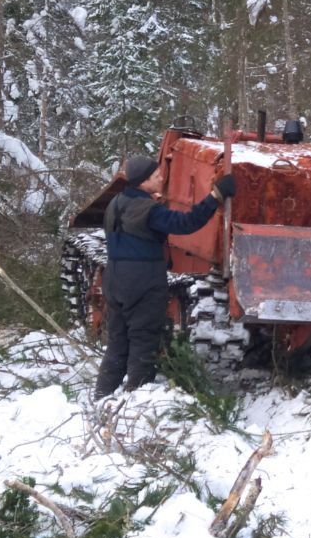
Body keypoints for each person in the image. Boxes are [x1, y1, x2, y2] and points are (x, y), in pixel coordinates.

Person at [95, 155, 237, 397]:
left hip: (115, 277)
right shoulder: (148, 210)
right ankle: (136, 401)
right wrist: (215, 196)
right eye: (156, 175)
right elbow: (186, 223)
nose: (162, 177)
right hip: (143, 280)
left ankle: (103, 395)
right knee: (143, 341)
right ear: (142, 181)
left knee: (118, 342)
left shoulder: (115, 203)